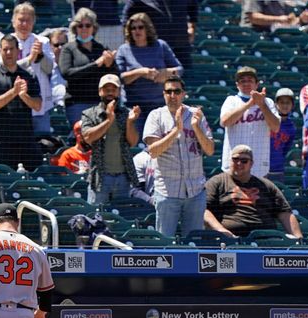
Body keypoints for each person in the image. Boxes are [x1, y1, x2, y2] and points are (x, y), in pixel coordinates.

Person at [143, 76, 214, 237]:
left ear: (184, 94)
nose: (172, 95)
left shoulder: (196, 115)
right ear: (163, 94)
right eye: (169, 91)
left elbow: (209, 150)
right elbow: (153, 151)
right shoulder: (156, 116)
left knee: (194, 242)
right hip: (167, 192)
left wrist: (196, 128)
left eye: (177, 91)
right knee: (165, 243)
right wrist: (176, 130)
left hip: (195, 192)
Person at [204, 144, 303, 239]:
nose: (239, 163)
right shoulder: (217, 182)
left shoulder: (266, 185)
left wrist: (298, 239)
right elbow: (204, 210)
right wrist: (222, 231)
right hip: (231, 238)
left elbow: (285, 213)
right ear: (229, 161)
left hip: (266, 239)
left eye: (244, 161)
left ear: (251, 163)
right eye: (235, 159)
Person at [115, 13, 183, 137]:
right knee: (134, 143)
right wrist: (141, 72)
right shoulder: (124, 49)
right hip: (133, 106)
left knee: (159, 141)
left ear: (147, 28)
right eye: (133, 28)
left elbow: (179, 69)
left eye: (140, 27)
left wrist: (165, 74)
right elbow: (119, 78)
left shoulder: (161, 45)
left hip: (158, 104)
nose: (136, 31)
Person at [0, 34, 43, 171]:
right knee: (3, 183)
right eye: (5, 49)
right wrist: (14, 92)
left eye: (11, 49)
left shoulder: (29, 75)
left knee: (34, 181)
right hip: (2, 141)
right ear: (0, 52)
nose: (8, 53)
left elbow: (38, 105)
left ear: (18, 51)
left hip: (26, 139)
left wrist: (24, 96)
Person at [0, 2, 55, 135]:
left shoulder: (42, 41)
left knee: (42, 144)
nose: (24, 24)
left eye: (28, 20)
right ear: (13, 21)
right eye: (21, 20)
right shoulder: (4, 42)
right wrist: (30, 59)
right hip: (13, 105)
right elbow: (4, 68)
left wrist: (41, 56)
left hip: (39, 106)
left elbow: (50, 69)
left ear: (33, 22)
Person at [82, 74, 141, 204]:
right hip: (100, 177)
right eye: (106, 89)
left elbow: (133, 142)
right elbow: (88, 137)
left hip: (123, 176)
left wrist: (130, 122)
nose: (110, 92)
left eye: (113, 89)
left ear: (119, 92)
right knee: (96, 218)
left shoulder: (126, 113)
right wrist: (109, 120)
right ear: (99, 91)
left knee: (120, 216)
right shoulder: (89, 113)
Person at [59, 8, 118, 126]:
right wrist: (96, 64)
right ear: (75, 28)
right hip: (77, 103)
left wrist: (110, 63)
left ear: (93, 28)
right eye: (80, 26)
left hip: (99, 103)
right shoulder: (68, 48)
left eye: (88, 25)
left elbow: (113, 76)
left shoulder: (101, 49)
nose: (84, 29)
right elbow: (67, 73)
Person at [220, 67, 280, 179]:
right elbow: (225, 121)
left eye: (250, 80)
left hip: (258, 165)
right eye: (243, 81)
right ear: (237, 85)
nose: (246, 83)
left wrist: (262, 105)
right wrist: (249, 103)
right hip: (233, 164)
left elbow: (275, 127)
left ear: (257, 84)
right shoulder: (231, 100)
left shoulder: (268, 102)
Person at [122, 0, 198, 69]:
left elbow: (193, 6)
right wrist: (128, 38)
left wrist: (192, 27)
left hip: (181, 46)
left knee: (183, 77)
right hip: (155, 48)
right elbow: (126, 20)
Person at [269, 88, 297, 183]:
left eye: (288, 103)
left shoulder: (291, 128)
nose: (285, 105)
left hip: (277, 169)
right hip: (262, 167)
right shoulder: (268, 120)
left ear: (292, 105)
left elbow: (286, 150)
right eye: (281, 102)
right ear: (276, 104)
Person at [241, 0, 308, 33]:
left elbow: (288, 19)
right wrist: (279, 19)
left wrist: (301, 20)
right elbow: (253, 18)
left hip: (275, 34)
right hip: (254, 34)